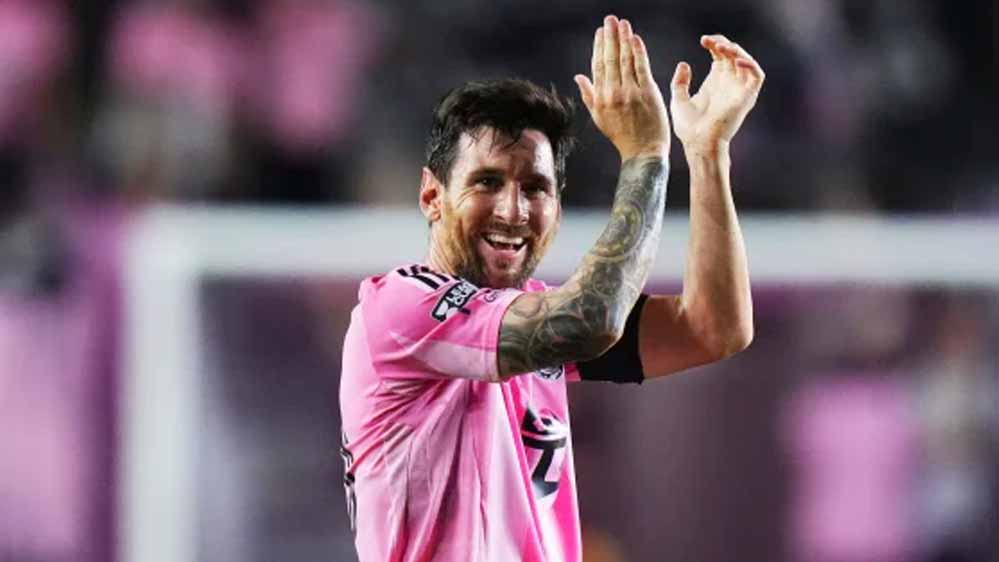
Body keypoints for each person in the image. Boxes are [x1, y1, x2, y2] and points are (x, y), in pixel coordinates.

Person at [339, 14, 762, 562]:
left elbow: (712, 327)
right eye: (487, 182)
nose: (513, 211)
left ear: (557, 209)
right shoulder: (400, 309)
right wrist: (645, 157)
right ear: (431, 196)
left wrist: (706, 155)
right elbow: (591, 320)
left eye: (535, 187)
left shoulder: (534, 318)